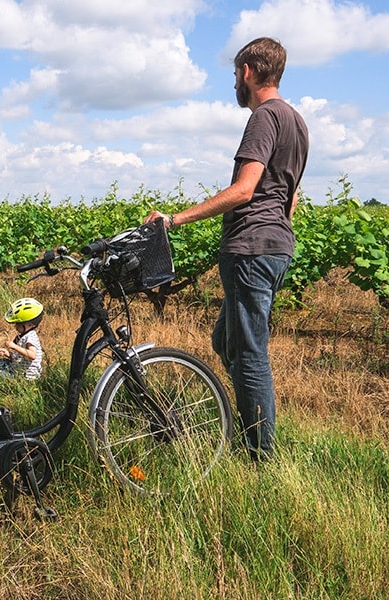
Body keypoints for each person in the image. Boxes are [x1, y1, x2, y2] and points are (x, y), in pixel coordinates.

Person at [144, 37, 309, 461]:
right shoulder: (296, 121)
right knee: (226, 342)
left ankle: (259, 455)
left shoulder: (264, 117)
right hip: (276, 246)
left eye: (236, 73)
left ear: (248, 72)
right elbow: (290, 196)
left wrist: (173, 219)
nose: (235, 82)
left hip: (251, 248)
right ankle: (248, 416)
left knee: (250, 354)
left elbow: (244, 189)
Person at [0, 297, 44, 380]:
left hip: (28, 376)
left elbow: (32, 355)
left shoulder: (30, 337)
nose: (16, 326)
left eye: (19, 324)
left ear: (30, 325)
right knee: (1, 363)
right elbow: (20, 357)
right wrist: (8, 354)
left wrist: (14, 346)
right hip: (20, 372)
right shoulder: (22, 336)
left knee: (1, 370)